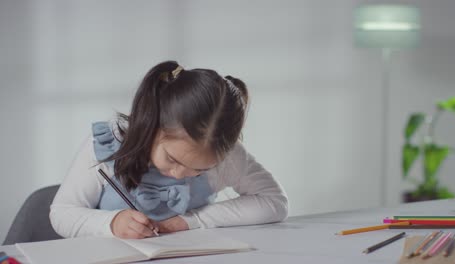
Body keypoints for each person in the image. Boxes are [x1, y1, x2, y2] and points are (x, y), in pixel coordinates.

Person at [50, 61, 288, 239]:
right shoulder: (108, 144)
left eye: (198, 169)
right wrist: (112, 223)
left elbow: (275, 202)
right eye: (172, 158)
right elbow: (61, 214)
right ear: (152, 125)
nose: (178, 174)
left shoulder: (226, 156)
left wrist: (192, 220)